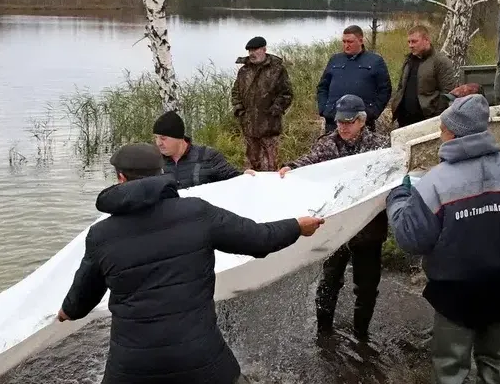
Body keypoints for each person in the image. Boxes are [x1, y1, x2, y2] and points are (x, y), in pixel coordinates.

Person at [56, 142, 325, 384]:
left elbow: (84, 296)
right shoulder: (197, 212)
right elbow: (258, 240)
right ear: (162, 173)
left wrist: (67, 311)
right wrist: (297, 227)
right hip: (202, 361)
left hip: (132, 368)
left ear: (120, 178)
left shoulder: (101, 235)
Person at [385, 94, 500, 384]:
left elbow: (411, 239)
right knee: (498, 359)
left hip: (456, 295)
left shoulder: (434, 183)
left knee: (452, 367)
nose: (440, 134)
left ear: (453, 133)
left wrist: (398, 198)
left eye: (442, 129)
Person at [278, 94, 389, 340]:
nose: (342, 127)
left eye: (348, 122)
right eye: (339, 122)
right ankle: (324, 332)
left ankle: (362, 334)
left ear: (362, 121)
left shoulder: (380, 146)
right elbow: (311, 161)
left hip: (369, 226)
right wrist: (292, 168)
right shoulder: (329, 143)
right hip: (336, 225)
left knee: (367, 286)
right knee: (329, 281)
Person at [231, 36, 294, 172]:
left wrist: (275, 109)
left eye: (255, 50)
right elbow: (235, 92)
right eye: (249, 51)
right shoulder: (244, 71)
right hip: (249, 127)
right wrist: (239, 110)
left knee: (270, 168)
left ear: (264, 49)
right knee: (251, 169)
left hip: (269, 128)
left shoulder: (277, 70)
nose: (252, 54)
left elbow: (286, 94)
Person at [316, 25, 392, 133]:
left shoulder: (375, 61)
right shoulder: (335, 60)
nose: (346, 45)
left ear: (360, 41)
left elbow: (385, 90)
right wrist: (324, 109)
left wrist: (373, 113)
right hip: (333, 121)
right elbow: (322, 87)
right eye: (344, 41)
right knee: (330, 149)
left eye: (350, 42)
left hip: (361, 122)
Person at [152, 110, 253, 189]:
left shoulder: (208, 156)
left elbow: (233, 178)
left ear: (179, 138)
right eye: (156, 137)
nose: (158, 143)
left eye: (163, 138)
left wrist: (245, 176)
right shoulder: (153, 161)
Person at [389, 24, 460, 128]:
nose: (410, 45)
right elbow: (401, 87)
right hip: (404, 121)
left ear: (426, 40)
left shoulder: (440, 61)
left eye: (414, 41)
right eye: (408, 42)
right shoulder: (409, 60)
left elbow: (448, 92)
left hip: (426, 121)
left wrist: (435, 115)